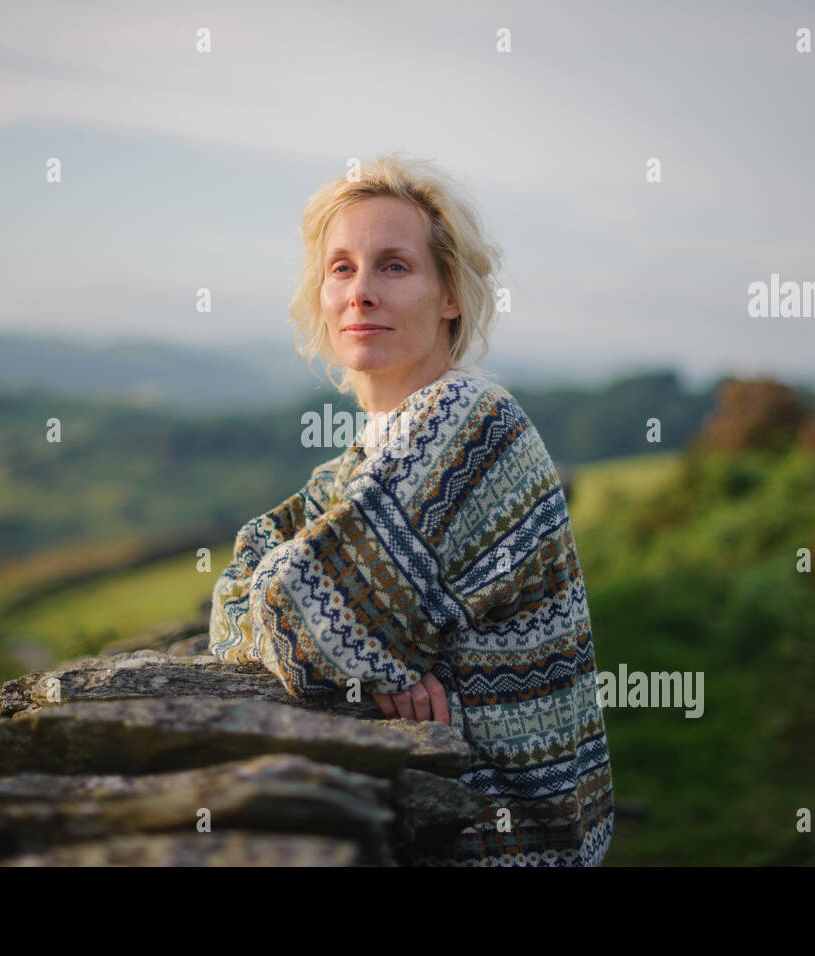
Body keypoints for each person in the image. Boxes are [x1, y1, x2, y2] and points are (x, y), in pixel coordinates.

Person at [208, 153, 613, 866]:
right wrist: (372, 653)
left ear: (449, 293)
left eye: (394, 266)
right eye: (341, 267)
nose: (361, 292)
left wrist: (349, 640)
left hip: (501, 845)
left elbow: (289, 611)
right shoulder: (357, 462)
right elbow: (234, 593)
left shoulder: (469, 422)